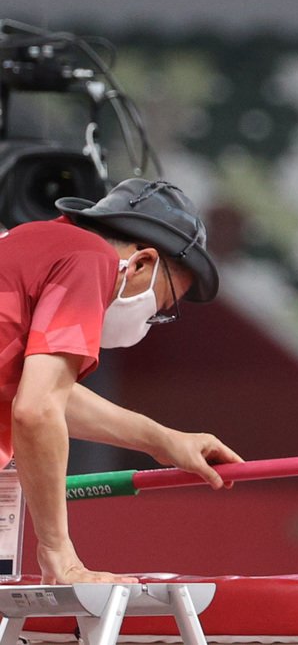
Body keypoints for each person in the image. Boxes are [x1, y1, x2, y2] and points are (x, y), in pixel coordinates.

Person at [0, 178, 243, 584]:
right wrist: (60, 556)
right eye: (161, 308)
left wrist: (163, 439)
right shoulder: (88, 258)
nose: (151, 321)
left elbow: (41, 394)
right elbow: (37, 411)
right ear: (143, 263)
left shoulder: (29, 244)